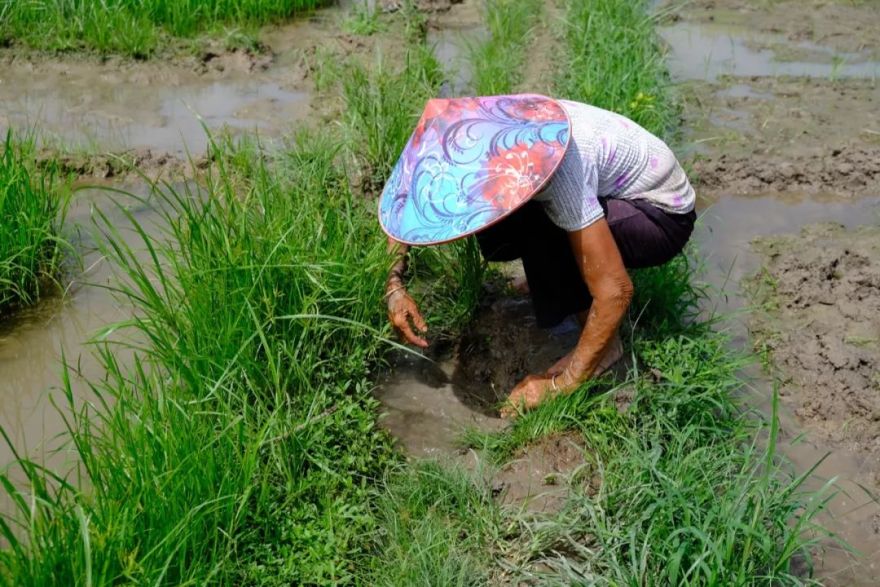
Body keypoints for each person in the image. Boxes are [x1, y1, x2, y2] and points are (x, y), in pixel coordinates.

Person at [379, 94, 695, 417]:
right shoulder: (461, 128)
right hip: (608, 192)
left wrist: (562, 384)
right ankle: (564, 273)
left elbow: (616, 291)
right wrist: (394, 285)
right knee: (499, 234)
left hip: (661, 214)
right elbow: (407, 203)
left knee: (544, 226)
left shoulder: (558, 169)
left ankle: (607, 350)